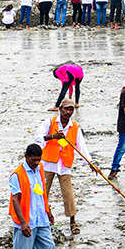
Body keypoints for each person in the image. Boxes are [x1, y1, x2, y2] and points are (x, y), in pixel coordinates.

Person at [9, 144, 61, 249]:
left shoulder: (39, 169)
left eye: (39, 160)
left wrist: (48, 211)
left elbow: (41, 191)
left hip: (41, 218)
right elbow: (16, 200)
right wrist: (23, 222)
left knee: (48, 248)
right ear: (26, 157)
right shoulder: (17, 175)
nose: (36, 163)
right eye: (33, 160)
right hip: (26, 221)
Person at [33, 99, 89, 235]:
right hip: (48, 163)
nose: (68, 112)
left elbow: (82, 146)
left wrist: (90, 163)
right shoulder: (50, 123)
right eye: (66, 109)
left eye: (71, 109)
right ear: (60, 109)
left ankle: (73, 222)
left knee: (68, 194)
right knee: (41, 192)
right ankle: (38, 218)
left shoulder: (74, 127)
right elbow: (38, 138)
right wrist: (53, 136)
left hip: (64, 165)